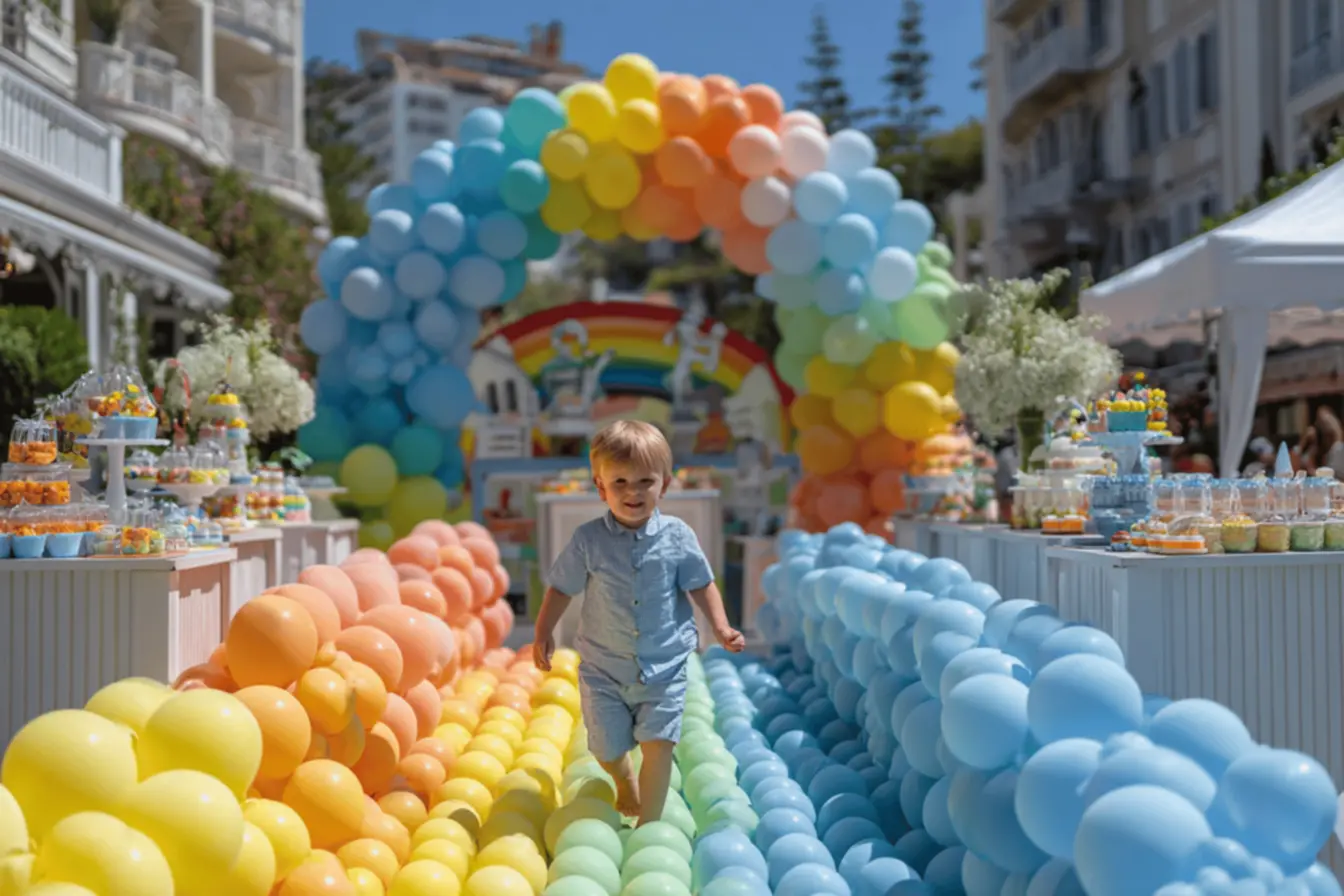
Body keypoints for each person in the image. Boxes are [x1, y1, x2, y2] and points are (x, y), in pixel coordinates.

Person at [532, 419, 745, 826]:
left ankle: (649, 824)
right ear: (601, 488)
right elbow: (561, 587)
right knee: (606, 749)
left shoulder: (678, 536)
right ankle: (621, 776)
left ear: (664, 485)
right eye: (620, 483)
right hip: (604, 667)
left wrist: (720, 626)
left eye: (645, 481)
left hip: (663, 666)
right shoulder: (588, 540)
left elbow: (701, 583)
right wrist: (543, 632)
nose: (633, 492)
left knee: (658, 744)